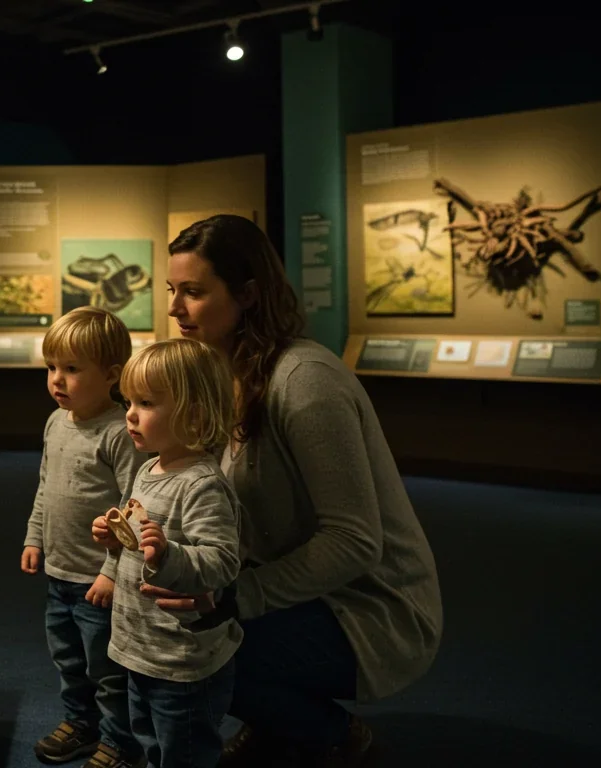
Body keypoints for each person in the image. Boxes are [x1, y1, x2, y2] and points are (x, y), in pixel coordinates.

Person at [143, 214, 443, 768]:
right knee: (160, 620)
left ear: (249, 293)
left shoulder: (305, 382)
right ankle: (277, 721)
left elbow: (354, 542)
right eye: (172, 290)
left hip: (369, 609)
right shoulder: (222, 372)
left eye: (193, 292)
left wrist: (237, 598)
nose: (174, 308)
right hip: (299, 591)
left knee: (196, 645)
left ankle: (331, 732)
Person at [91, 338, 243, 768]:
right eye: (128, 401)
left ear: (193, 415)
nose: (130, 414)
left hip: (181, 659)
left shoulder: (202, 485)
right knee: (151, 740)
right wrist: (112, 540)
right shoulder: (148, 467)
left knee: (185, 751)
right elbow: (134, 534)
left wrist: (170, 555)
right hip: (142, 646)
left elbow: (221, 561)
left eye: (146, 403)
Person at [22, 306, 144, 768]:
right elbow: (45, 486)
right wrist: (35, 538)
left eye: (72, 369)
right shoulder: (56, 423)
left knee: (108, 670)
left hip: (100, 581)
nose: (57, 379)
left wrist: (112, 571)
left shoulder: (120, 432)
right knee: (69, 662)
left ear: (112, 374)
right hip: (60, 574)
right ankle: (81, 724)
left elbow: (133, 509)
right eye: (51, 367)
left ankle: (119, 743)